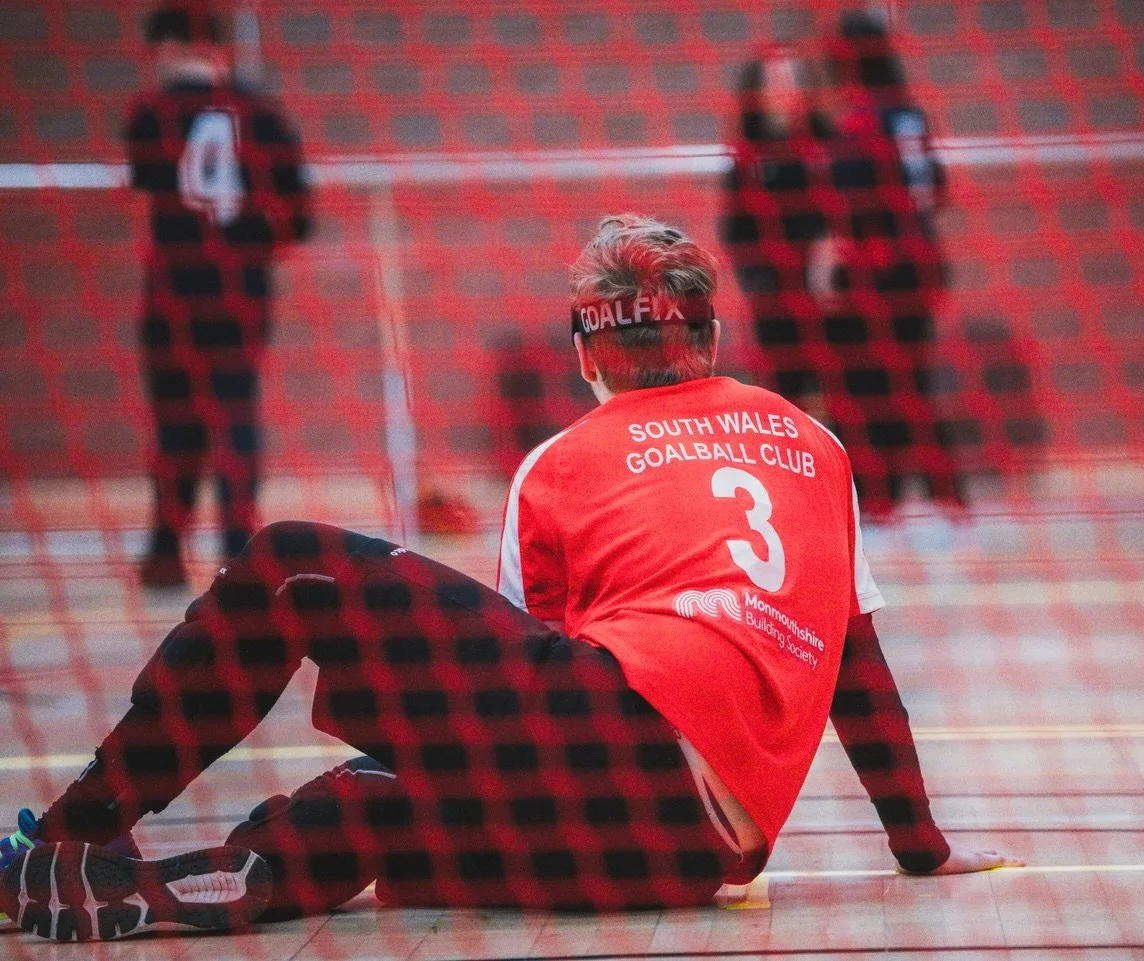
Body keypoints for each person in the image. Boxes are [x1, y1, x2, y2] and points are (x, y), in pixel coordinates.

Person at [0, 216, 1021, 942]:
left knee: (288, 563)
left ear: (588, 348)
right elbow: (857, 664)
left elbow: (511, 692)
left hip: (608, 757)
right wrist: (922, 846)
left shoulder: (566, 458)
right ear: (712, 334)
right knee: (378, 799)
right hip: (681, 859)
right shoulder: (816, 443)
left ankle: (71, 836)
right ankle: (174, 888)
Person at [129, 4, 312, 587]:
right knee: (236, 415)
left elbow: (147, 176)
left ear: (176, 43)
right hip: (240, 293)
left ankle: (165, 553)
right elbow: (300, 215)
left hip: (173, 292)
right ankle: (239, 555)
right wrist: (252, 239)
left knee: (175, 424)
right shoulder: (261, 113)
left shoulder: (153, 112)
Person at [815, 11, 961, 521]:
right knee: (911, 384)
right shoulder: (909, 115)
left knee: (872, 391)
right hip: (922, 269)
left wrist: (839, 264)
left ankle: (884, 506)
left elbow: (852, 205)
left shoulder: (858, 121)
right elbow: (936, 189)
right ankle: (938, 502)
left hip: (880, 275)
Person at [720, 46, 833, 414]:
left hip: (833, 300)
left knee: (844, 398)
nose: (785, 89)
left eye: (792, 78)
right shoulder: (748, 157)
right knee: (785, 400)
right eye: (775, 80)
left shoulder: (828, 146)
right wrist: (759, 282)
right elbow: (735, 228)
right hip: (776, 305)